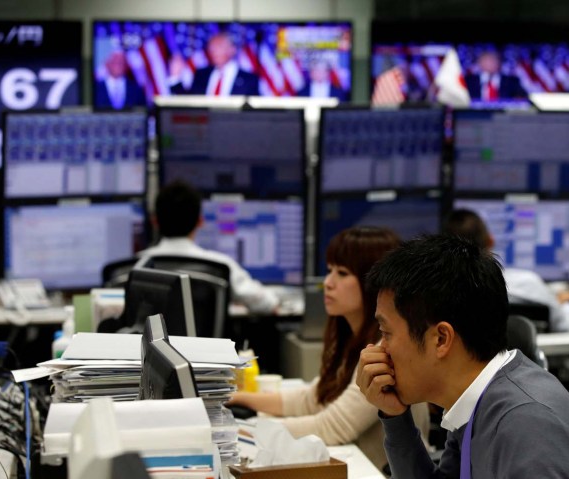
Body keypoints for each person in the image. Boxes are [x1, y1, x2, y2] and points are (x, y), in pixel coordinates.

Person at [356, 234, 569, 478]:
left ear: (441, 339)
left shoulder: (527, 425)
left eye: (386, 332)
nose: (380, 349)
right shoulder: (475, 401)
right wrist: (395, 417)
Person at [228, 226, 431, 469]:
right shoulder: (351, 338)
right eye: (329, 270)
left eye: (342, 273)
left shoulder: (385, 350)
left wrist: (242, 430)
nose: (328, 283)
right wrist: (239, 398)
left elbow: (332, 427)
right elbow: (312, 398)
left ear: (375, 284)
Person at [138, 180, 278, 315]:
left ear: (154, 221)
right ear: (200, 221)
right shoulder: (220, 266)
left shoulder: (134, 266)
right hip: (206, 340)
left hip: (148, 340)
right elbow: (266, 304)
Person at [443, 209, 569, 332]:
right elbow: (565, 327)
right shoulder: (528, 284)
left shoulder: (443, 291)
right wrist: (567, 304)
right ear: (490, 241)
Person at [169, 32, 259, 96]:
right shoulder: (201, 75)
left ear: (232, 50)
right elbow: (188, 104)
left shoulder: (249, 80)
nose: (214, 51)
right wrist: (175, 77)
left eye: (219, 46)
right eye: (211, 47)